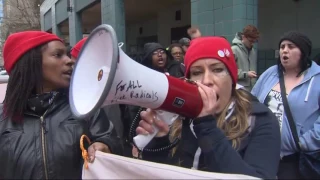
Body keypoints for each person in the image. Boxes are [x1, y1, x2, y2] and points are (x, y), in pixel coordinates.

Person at [134, 37, 281, 179]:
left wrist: (206, 125)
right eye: (197, 73)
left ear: (232, 78)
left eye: (217, 70)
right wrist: (159, 142)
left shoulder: (261, 120)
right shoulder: (180, 119)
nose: (206, 81)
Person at [0, 31, 121, 179]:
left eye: (67, 54)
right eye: (58, 55)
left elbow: (112, 141)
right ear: (31, 62)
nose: (69, 60)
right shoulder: (3, 119)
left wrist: (105, 144)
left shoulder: (85, 108)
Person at [251, 31, 320, 179]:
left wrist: (305, 143)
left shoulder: (317, 79)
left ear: (303, 51)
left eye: (291, 46)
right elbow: (251, 101)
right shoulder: (270, 73)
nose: (285, 50)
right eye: (282, 46)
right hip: (262, 153)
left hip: (294, 158)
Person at [231, 25, 260, 91]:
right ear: (243, 37)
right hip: (239, 90)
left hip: (251, 89)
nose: (252, 44)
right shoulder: (234, 50)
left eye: (254, 41)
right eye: (250, 41)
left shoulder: (253, 51)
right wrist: (246, 74)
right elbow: (229, 71)